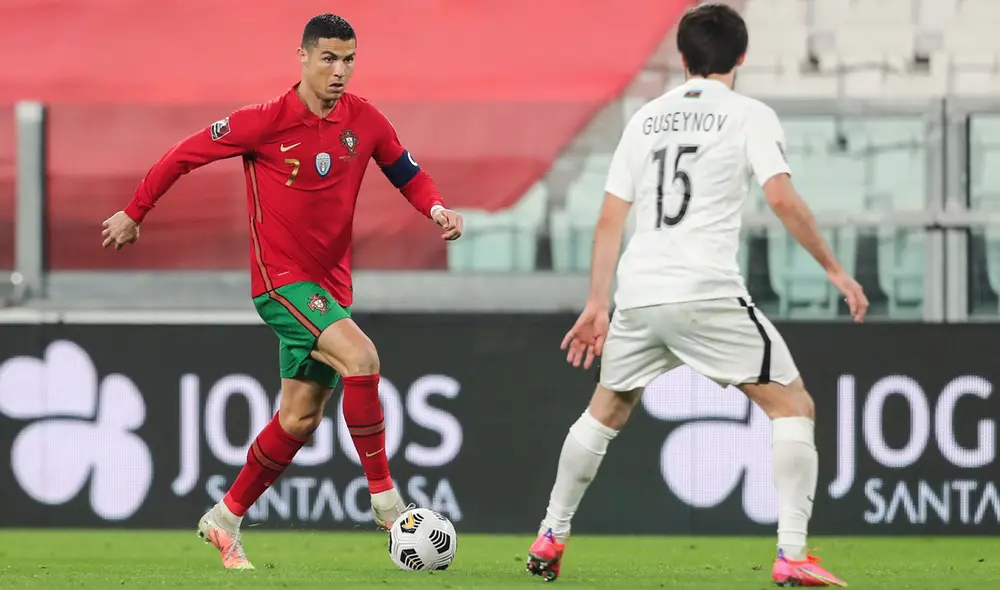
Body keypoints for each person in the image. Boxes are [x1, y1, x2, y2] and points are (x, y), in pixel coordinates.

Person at [101, 14, 464, 570]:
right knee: (362, 357)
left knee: (299, 418)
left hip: (331, 288)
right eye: (328, 59)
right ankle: (387, 504)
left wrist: (436, 208)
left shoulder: (364, 120)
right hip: (281, 282)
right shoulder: (264, 123)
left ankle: (224, 518)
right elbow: (183, 155)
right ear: (301, 57)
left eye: (348, 60)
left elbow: (406, 171)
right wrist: (134, 212)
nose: (339, 71)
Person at [524, 4, 865, 587]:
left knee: (605, 410)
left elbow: (611, 216)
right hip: (704, 290)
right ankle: (792, 553)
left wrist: (598, 302)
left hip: (639, 291)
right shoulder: (748, 114)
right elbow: (781, 198)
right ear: (740, 57)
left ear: (682, 59)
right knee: (794, 405)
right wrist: (835, 269)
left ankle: (551, 535)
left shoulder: (645, 118)